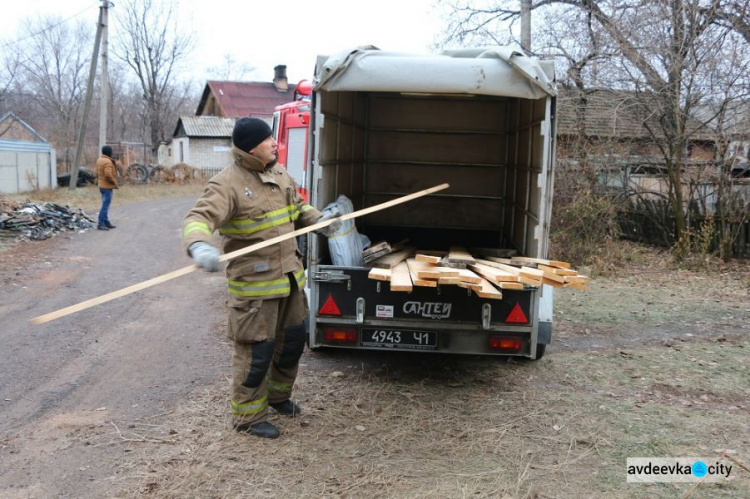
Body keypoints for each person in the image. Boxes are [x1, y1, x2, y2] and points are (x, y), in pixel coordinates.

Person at [182, 117, 341, 439]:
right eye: (269, 140)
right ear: (252, 147)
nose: (275, 144)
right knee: (256, 353)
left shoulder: (278, 173)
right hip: (255, 289)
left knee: (292, 343)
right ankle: (248, 417)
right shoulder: (226, 184)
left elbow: (298, 208)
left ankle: (278, 397)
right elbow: (198, 217)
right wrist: (199, 245)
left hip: (290, 281)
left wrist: (320, 220)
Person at [96, 145, 118, 230]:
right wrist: (114, 181)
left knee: (105, 204)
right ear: (109, 152)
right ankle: (101, 223)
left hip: (101, 185)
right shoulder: (108, 162)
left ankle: (106, 222)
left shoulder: (99, 160)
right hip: (107, 186)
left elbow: (97, 173)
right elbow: (108, 174)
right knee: (105, 206)